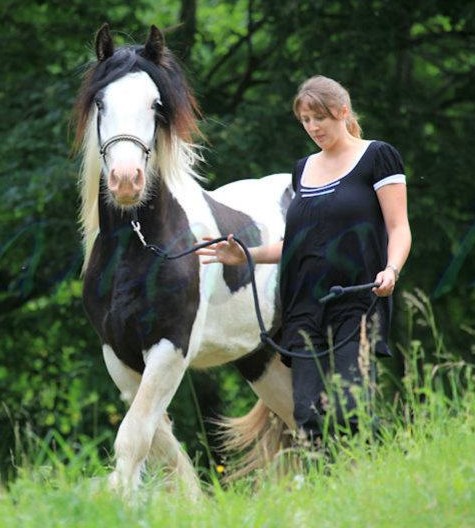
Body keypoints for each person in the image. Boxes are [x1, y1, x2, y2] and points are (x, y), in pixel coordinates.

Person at [198, 75, 411, 441]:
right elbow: (295, 244)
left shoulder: (377, 156)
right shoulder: (303, 169)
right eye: (306, 121)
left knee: (349, 405)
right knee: (307, 414)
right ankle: (325, 484)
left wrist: (391, 269)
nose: (313, 128)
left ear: (342, 112)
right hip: (303, 305)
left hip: (357, 298)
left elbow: (399, 227)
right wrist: (243, 255)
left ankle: (382, 465)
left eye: (320, 119)